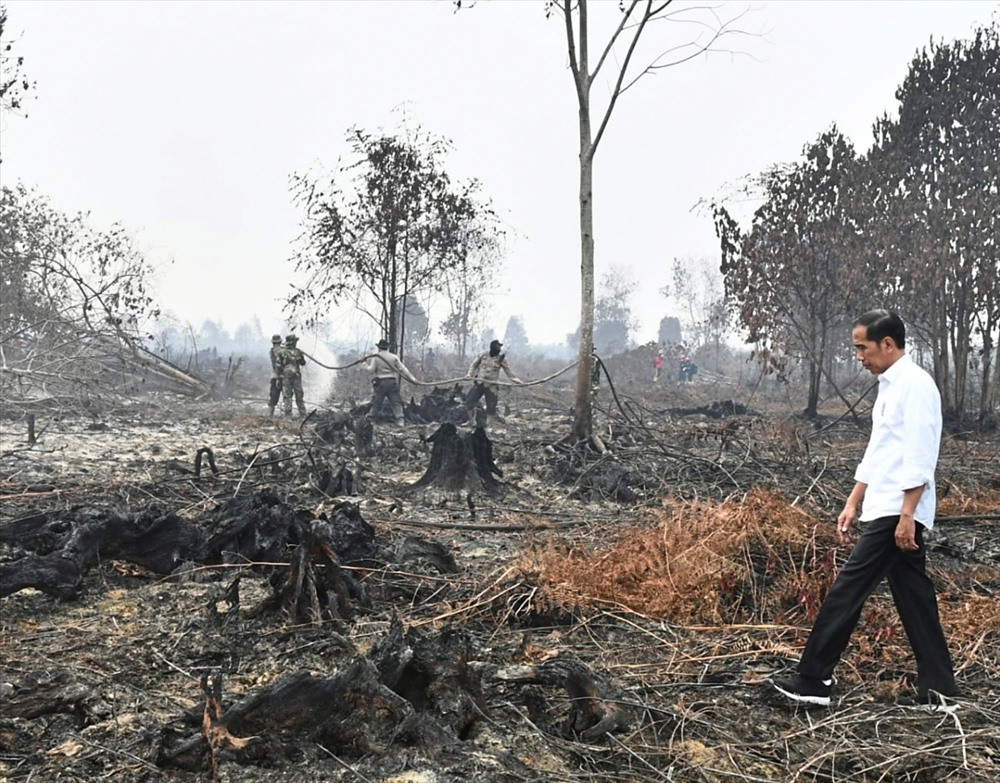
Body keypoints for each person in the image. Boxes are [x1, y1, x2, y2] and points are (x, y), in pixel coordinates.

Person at [771, 310, 957, 710]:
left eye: (862, 347)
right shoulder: (889, 386)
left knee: (848, 587)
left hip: (898, 509)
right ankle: (939, 689)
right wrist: (854, 500)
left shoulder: (916, 386)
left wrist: (908, 513)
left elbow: (921, 455)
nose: (858, 356)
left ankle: (814, 679)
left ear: (887, 344)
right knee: (913, 595)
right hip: (884, 504)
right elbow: (880, 451)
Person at [364, 338, 419, 425]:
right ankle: (400, 420)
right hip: (392, 382)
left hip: (380, 383)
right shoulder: (394, 357)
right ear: (387, 347)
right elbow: (403, 369)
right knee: (396, 402)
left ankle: (370, 419)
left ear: (379, 347)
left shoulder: (376, 357)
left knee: (376, 402)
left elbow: (370, 370)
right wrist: (413, 379)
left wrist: (364, 363)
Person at [466, 339, 522, 421]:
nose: (499, 348)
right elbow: (473, 365)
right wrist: (469, 374)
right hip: (479, 383)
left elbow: (508, 372)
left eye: (500, 347)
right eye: (497, 346)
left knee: (491, 407)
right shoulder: (483, 355)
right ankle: (471, 421)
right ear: (492, 347)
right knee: (469, 402)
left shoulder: (501, 359)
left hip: (491, 386)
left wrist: (517, 381)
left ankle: (488, 425)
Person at [277, 334, 307, 417]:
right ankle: (303, 414)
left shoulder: (281, 352)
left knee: (287, 396)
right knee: (299, 395)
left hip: (285, 377)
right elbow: (303, 363)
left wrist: (278, 378)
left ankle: (288, 415)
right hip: (296, 377)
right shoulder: (298, 352)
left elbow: (278, 367)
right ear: (293, 342)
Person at [267, 334, 283, 417]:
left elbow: (274, 365)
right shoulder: (283, 350)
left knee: (273, 396)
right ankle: (288, 415)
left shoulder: (271, 351)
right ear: (280, 342)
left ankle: (270, 415)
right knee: (287, 397)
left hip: (275, 376)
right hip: (284, 377)